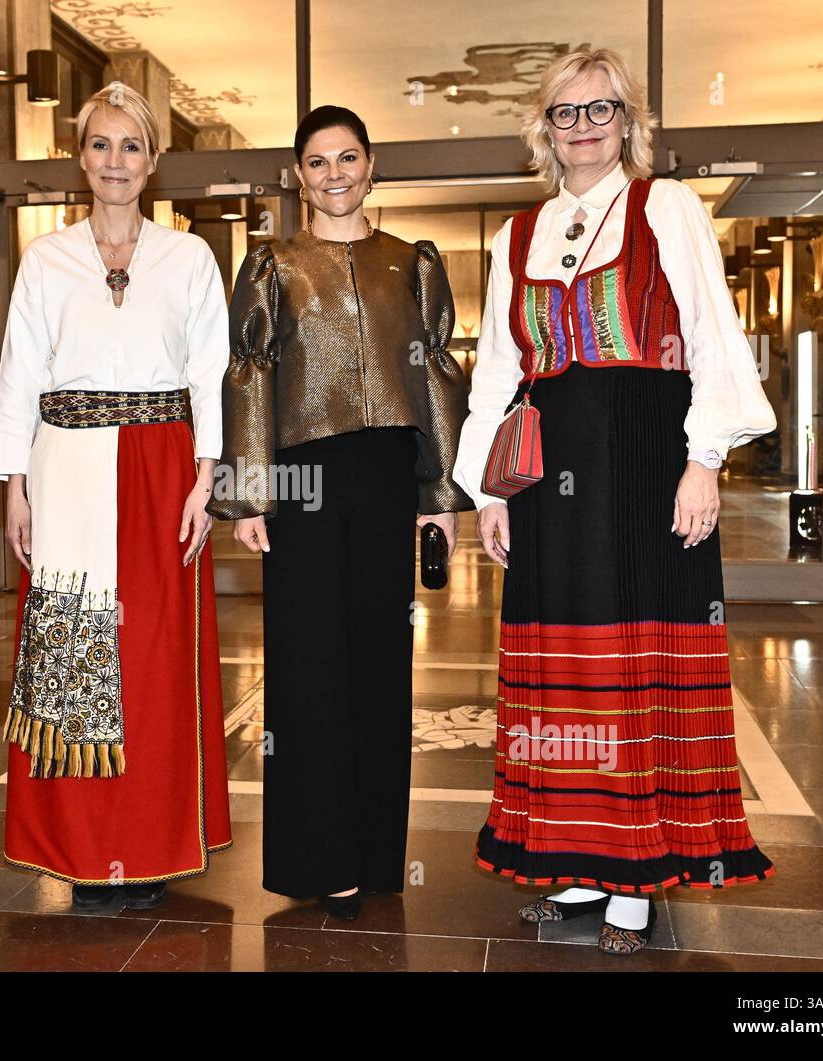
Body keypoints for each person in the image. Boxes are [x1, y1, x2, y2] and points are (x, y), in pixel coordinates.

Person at [452, 48, 777, 955]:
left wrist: (702, 459)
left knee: (637, 660)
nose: (585, 127)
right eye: (567, 112)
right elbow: (496, 371)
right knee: (566, 671)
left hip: (644, 461)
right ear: (543, 129)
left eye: (602, 110)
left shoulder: (665, 206)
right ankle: (583, 858)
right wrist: (492, 489)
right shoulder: (515, 235)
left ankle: (638, 869)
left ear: (628, 122)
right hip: (551, 479)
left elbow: (710, 334)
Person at [209, 105, 473, 921]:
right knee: (307, 666)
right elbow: (249, 372)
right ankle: (319, 858)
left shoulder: (411, 264)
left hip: (387, 471)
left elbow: (434, 383)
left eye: (348, 158)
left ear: (371, 165)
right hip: (301, 476)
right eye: (317, 162)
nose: (334, 174)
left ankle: (373, 853)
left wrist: (438, 498)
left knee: (381, 665)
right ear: (299, 174)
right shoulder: (271, 264)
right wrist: (250, 491)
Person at [0, 83, 232, 912]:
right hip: (64, 467)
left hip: (163, 466)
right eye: (101, 145)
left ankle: (153, 845)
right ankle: (84, 849)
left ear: (153, 161)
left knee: (156, 659)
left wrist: (207, 475)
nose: (116, 161)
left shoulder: (188, 256)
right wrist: (11, 483)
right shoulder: (46, 260)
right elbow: (19, 372)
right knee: (72, 649)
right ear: (80, 158)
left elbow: (211, 372)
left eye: (132, 146)